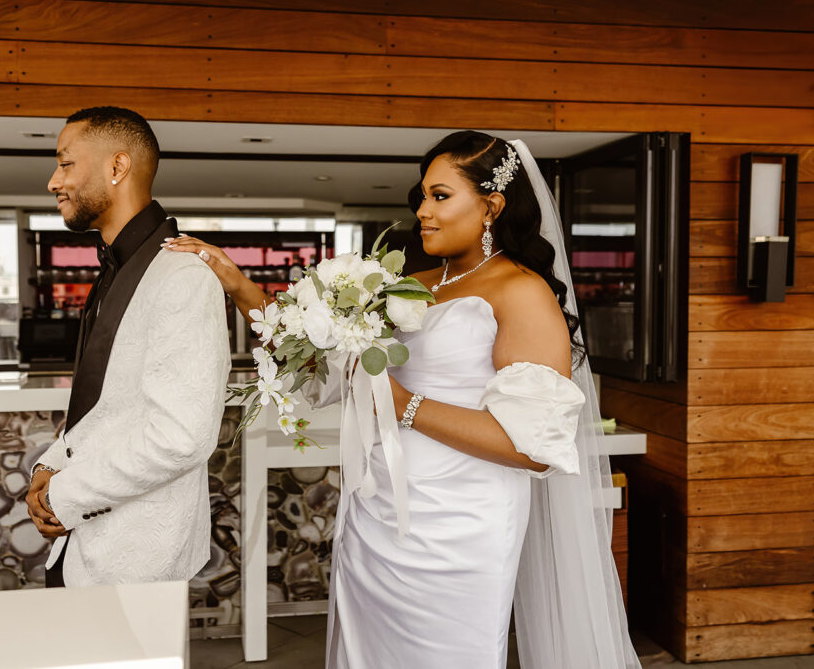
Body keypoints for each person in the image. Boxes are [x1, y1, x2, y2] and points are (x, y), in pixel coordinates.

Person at [165, 131, 638, 668]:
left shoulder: (520, 291)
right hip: (376, 511)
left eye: (440, 196)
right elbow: (331, 375)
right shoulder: (412, 284)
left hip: (459, 526)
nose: (423, 211)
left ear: (492, 205)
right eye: (422, 196)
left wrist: (401, 403)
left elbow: (531, 446)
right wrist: (241, 289)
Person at [24, 106, 231, 588]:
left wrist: (64, 494)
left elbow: (182, 435)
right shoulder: (120, 268)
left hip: (137, 555)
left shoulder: (181, 274)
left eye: (65, 163)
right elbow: (109, 405)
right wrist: (49, 465)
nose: (53, 181)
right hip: (83, 544)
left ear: (117, 168)